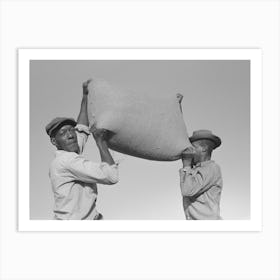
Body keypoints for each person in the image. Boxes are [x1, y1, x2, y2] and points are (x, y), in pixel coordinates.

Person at [45, 79, 119, 220]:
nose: (70, 134)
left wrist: (85, 96)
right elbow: (111, 176)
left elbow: (82, 128)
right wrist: (101, 141)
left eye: (71, 130)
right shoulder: (66, 161)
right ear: (54, 141)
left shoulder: (69, 149)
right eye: (63, 133)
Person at [179, 130, 223, 220]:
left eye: (193, 147)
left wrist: (186, 165)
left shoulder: (212, 168)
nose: (191, 151)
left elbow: (187, 190)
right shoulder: (196, 170)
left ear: (204, 148)